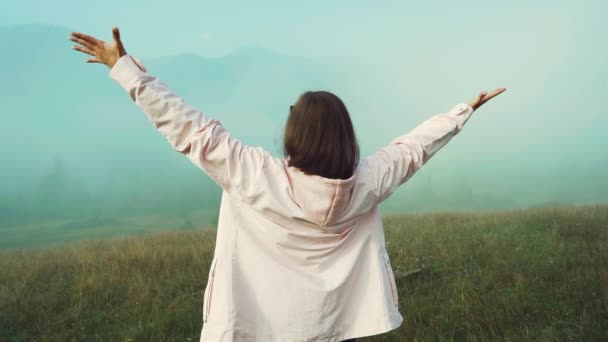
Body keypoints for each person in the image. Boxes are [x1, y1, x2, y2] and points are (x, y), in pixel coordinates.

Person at [69, 27, 506, 342]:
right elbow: (412, 150)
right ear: (343, 135)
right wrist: (461, 113)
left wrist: (126, 70)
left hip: (256, 328)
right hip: (332, 327)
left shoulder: (255, 174)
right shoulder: (365, 184)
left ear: (296, 132)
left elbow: (190, 130)